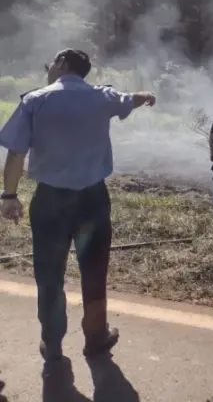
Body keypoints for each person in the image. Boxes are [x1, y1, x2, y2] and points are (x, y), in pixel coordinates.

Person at [0, 49, 156, 365]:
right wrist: (147, 95)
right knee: (94, 269)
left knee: (49, 272)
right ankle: (96, 337)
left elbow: (16, 154)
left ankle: (53, 341)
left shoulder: (35, 100)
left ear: (62, 64)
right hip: (92, 200)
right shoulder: (102, 97)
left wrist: (9, 196)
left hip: (50, 202)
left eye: (51, 63)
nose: (48, 68)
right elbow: (132, 98)